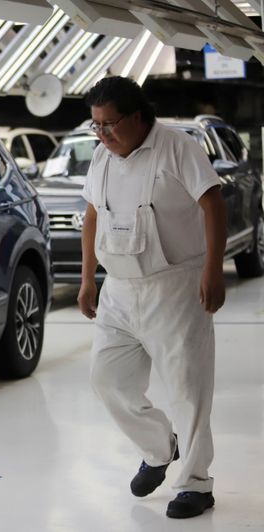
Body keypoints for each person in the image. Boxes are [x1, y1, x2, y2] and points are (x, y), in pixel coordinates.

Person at [77, 76, 226, 519]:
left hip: (174, 287)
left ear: (137, 116)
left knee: (188, 389)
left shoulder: (177, 148)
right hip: (119, 289)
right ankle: (160, 447)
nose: (103, 134)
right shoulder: (101, 158)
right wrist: (88, 279)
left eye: (110, 124)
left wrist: (213, 269)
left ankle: (196, 484)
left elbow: (213, 204)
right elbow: (91, 216)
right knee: (107, 379)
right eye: (96, 125)